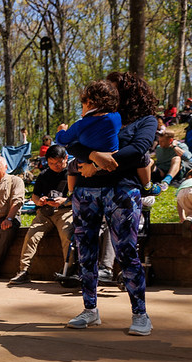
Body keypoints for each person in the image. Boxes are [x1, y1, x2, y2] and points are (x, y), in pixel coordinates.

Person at [65, 71, 158, 335]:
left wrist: (98, 164)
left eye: (113, 88)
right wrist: (94, 156)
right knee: (85, 252)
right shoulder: (96, 118)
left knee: (126, 251)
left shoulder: (145, 120)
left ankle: (140, 314)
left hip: (122, 192)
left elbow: (139, 149)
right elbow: (72, 143)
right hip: (86, 193)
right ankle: (90, 310)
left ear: (129, 92)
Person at [9, 145, 73, 285]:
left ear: (65, 158)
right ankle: (23, 271)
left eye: (58, 163)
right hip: (45, 213)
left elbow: (78, 196)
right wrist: (40, 201)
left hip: (65, 211)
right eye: (51, 163)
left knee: (67, 235)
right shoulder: (44, 174)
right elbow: (35, 195)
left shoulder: (72, 172)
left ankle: (68, 271)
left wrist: (64, 201)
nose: (55, 166)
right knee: (31, 235)